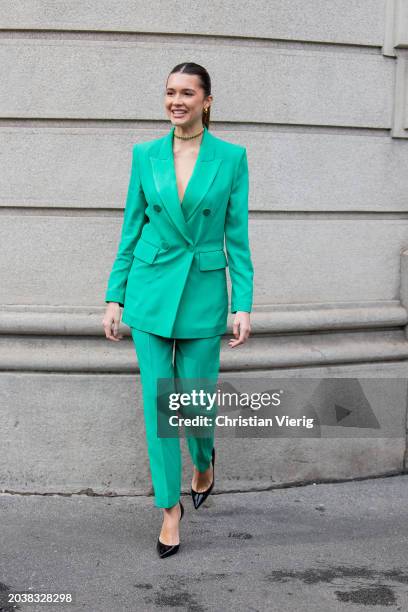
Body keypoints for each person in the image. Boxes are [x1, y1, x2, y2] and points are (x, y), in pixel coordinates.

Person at [102, 62, 254, 558]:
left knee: (195, 402)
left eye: (187, 92)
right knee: (159, 406)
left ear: (206, 101)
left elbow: (237, 237)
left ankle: (204, 461)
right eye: (170, 92)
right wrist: (114, 294)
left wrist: (243, 303)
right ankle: (170, 509)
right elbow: (130, 227)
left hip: (204, 292)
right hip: (150, 289)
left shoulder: (231, 158)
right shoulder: (145, 155)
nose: (176, 101)